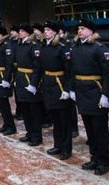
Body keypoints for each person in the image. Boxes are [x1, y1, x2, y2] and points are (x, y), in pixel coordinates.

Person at [69, 19, 109, 176]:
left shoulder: (99, 48)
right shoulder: (76, 48)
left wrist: (106, 95)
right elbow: (72, 70)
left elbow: (107, 73)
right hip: (82, 91)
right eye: (78, 28)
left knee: (100, 129)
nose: (79, 31)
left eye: (83, 28)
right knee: (89, 129)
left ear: (91, 31)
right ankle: (94, 157)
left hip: (95, 92)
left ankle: (103, 161)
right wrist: (72, 89)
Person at [38, 21, 73, 161]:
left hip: (60, 84)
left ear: (54, 32)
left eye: (48, 29)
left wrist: (67, 89)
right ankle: (58, 144)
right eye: (45, 29)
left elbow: (69, 70)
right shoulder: (44, 46)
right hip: (48, 84)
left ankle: (66, 148)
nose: (45, 32)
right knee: (55, 118)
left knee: (64, 119)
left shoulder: (61, 47)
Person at [14, 23, 44, 146]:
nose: (19, 32)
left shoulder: (33, 46)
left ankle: (36, 136)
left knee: (34, 110)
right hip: (21, 78)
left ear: (27, 33)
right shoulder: (20, 44)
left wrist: (33, 83)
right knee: (25, 109)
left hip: (30, 79)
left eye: (21, 31)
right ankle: (29, 133)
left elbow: (37, 67)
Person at [0, 25, 16, 135]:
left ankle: (11, 126)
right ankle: (6, 124)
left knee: (4, 102)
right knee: (0, 102)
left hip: (3, 75)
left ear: (1, 34)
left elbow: (9, 64)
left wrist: (6, 79)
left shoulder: (7, 45)